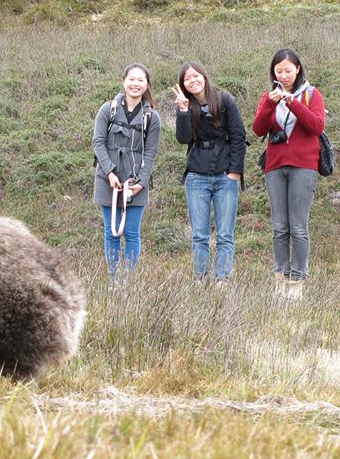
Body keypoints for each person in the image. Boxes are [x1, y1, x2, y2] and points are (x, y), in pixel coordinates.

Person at [252, 48, 326, 298]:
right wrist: (270, 105)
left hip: (304, 166)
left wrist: (291, 102)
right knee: (279, 227)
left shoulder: (312, 94)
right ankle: (280, 278)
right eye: (278, 71)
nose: (283, 75)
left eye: (288, 70)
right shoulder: (268, 96)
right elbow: (258, 129)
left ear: (298, 70)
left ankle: (298, 282)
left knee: (298, 227)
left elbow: (316, 126)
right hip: (275, 166)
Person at [172, 61, 247, 282]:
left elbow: (238, 137)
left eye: (196, 76)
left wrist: (235, 172)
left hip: (225, 175)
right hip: (197, 176)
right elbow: (183, 138)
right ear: (183, 84)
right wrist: (183, 111)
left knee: (225, 235)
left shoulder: (224, 99)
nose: (192, 80)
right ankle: (200, 279)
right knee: (199, 235)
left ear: (204, 76)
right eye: (187, 78)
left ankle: (222, 279)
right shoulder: (185, 105)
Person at [92, 64, 161, 278]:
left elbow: (150, 152)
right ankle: (114, 279)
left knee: (131, 233)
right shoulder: (108, 109)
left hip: (135, 183)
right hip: (107, 179)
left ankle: (128, 281)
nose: (135, 84)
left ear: (146, 84)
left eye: (140, 80)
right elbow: (98, 142)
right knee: (111, 233)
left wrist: (141, 182)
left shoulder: (152, 117)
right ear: (123, 81)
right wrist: (110, 172)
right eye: (131, 79)